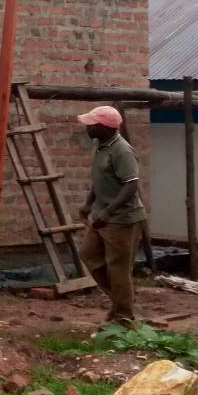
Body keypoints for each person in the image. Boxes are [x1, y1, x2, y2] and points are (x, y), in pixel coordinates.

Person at [75, 105, 146, 326]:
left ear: (104, 127)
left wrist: (107, 211)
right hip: (102, 216)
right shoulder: (100, 146)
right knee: (88, 255)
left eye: (91, 124)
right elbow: (99, 179)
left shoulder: (122, 150)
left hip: (123, 219)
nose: (87, 127)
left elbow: (131, 185)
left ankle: (124, 317)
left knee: (118, 268)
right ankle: (120, 303)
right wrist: (89, 204)